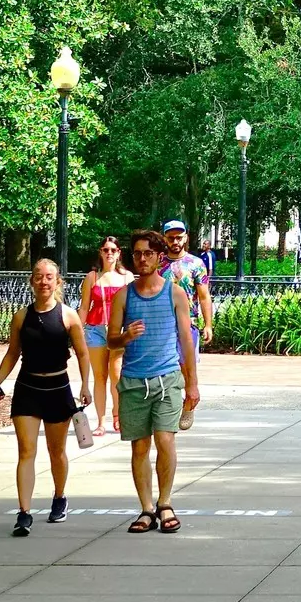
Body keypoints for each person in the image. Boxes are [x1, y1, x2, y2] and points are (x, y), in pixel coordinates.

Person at [0, 258, 93, 535]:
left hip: (58, 389)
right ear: (31, 281)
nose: (44, 281)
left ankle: (59, 497)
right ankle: (24, 513)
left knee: (56, 451)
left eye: (49, 277)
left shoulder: (68, 316)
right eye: (38, 276)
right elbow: (12, 353)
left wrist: (85, 385)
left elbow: (82, 353)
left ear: (58, 282)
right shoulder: (21, 317)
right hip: (28, 389)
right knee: (26, 451)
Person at [112, 228, 201, 534]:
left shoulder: (174, 292)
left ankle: (165, 503)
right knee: (139, 448)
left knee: (165, 440)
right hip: (135, 382)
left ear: (159, 257)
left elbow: (187, 341)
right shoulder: (124, 295)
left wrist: (192, 383)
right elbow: (111, 341)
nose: (142, 259)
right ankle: (146, 508)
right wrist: (125, 335)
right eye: (137, 253)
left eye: (148, 253)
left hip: (167, 379)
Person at [79, 235, 131, 434]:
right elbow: (84, 307)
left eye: (113, 250)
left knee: (116, 374)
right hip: (95, 328)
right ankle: (101, 422)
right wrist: (77, 333)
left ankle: (117, 414)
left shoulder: (127, 277)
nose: (109, 253)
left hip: (118, 330)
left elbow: (133, 306)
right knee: (99, 377)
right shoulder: (92, 277)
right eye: (105, 250)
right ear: (100, 252)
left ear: (119, 253)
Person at [159, 218, 215, 349]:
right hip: (162, 325)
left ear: (185, 238)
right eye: (171, 238)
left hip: (189, 324)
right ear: (165, 239)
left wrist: (208, 325)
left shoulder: (196, 264)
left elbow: (204, 296)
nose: (175, 242)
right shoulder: (158, 264)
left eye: (179, 238)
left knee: (188, 367)